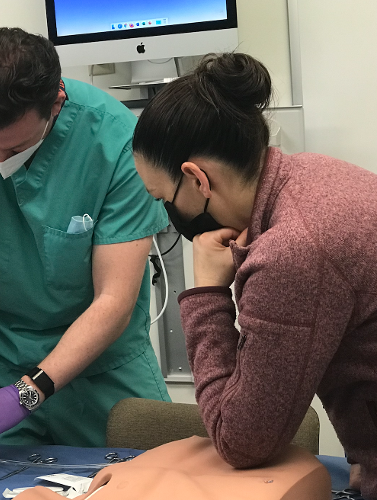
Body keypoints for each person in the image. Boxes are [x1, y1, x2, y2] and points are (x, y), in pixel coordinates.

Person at [131, 52, 377, 499]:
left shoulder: (293, 252)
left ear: (197, 179)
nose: (167, 213)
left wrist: (205, 292)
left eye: (163, 197)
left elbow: (241, 440)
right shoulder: (312, 175)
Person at [0, 27, 170, 447]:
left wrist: (27, 393)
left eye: (14, 148)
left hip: (100, 366)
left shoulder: (119, 142)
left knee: (144, 479)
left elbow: (114, 300)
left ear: (56, 102)